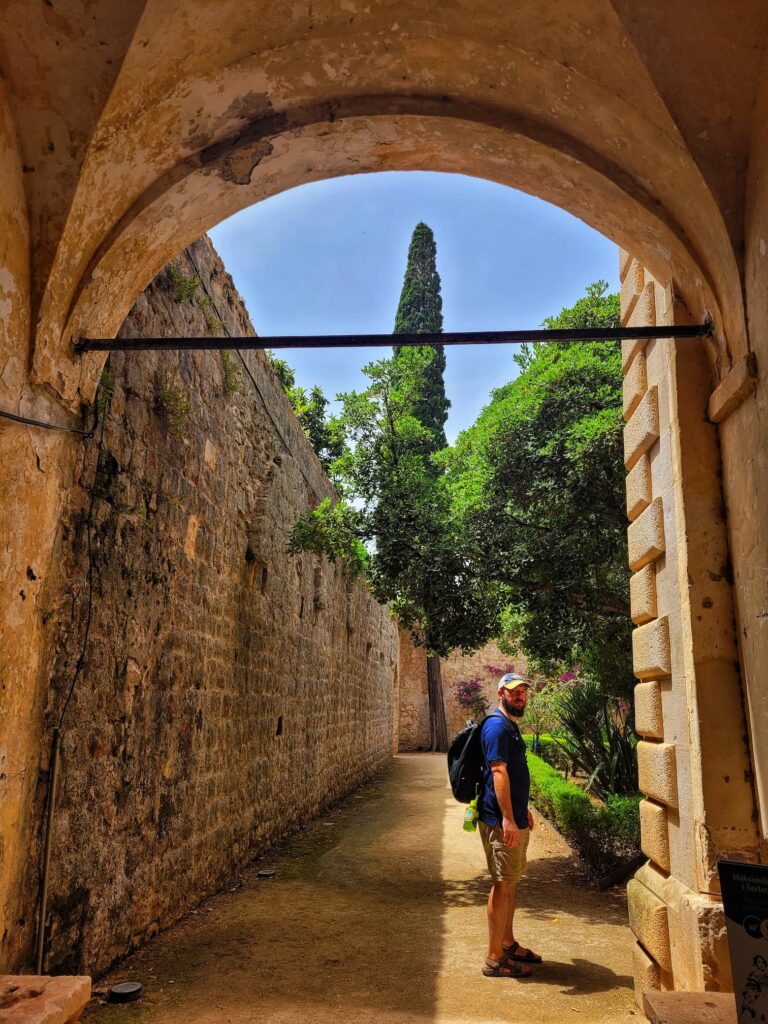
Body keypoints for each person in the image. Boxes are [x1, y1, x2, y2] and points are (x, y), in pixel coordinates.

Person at [477, 672, 541, 978]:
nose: (521, 696)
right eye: (515, 692)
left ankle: (507, 943)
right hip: (500, 821)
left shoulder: (509, 726)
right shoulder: (497, 727)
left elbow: (514, 775)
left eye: (523, 692)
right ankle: (493, 958)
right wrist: (506, 818)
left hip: (513, 816)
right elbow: (498, 773)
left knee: (511, 882)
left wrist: (521, 809)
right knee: (503, 885)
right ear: (501, 692)